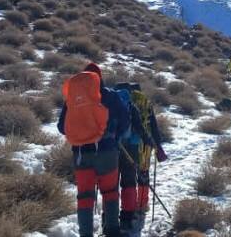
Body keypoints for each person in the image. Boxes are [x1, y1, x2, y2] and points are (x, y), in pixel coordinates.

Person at [58, 63, 129, 237]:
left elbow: (61, 127)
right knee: (110, 192)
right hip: (107, 152)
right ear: (99, 77)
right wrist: (114, 137)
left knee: (84, 197)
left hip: (81, 154)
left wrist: (81, 135)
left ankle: (86, 234)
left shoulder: (73, 99)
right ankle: (112, 231)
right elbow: (125, 122)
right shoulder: (110, 96)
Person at [113, 82, 168, 237]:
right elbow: (153, 127)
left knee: (116, 181)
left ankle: (114, 213)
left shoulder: (114, 100)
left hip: (117, 146)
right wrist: (157, 145)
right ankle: (141, 206)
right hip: (141, 145)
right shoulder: (144, 103)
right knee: (142, 175)